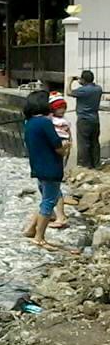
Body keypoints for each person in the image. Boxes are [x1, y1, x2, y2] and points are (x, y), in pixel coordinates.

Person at [21, 90, 73, 251]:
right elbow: (57, 147)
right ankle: (39, 237)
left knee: (46, 198)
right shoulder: (44, 122)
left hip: (38, 166)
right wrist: (66, 146)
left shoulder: (28, 122)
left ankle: (30, 229)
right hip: (50, 167)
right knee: (49, 202)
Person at [70, 70, 103, 169]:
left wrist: (70, 81)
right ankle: (96, 164)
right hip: (95, 120)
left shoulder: (83, 90)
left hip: (84, 120)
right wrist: (81, 81)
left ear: (83, 80)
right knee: (94, 142)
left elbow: (68, 92)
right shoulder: (98, 89)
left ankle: (84, 165)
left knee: (83, 143)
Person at [48, 92, 71, 229]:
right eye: (58, 107)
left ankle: (61, 216)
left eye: (63, 107)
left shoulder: (56, 122)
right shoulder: (53, 121)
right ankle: (50, 212)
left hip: (57, 151)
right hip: (57, 151)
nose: (61, 110)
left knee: (54, 186)